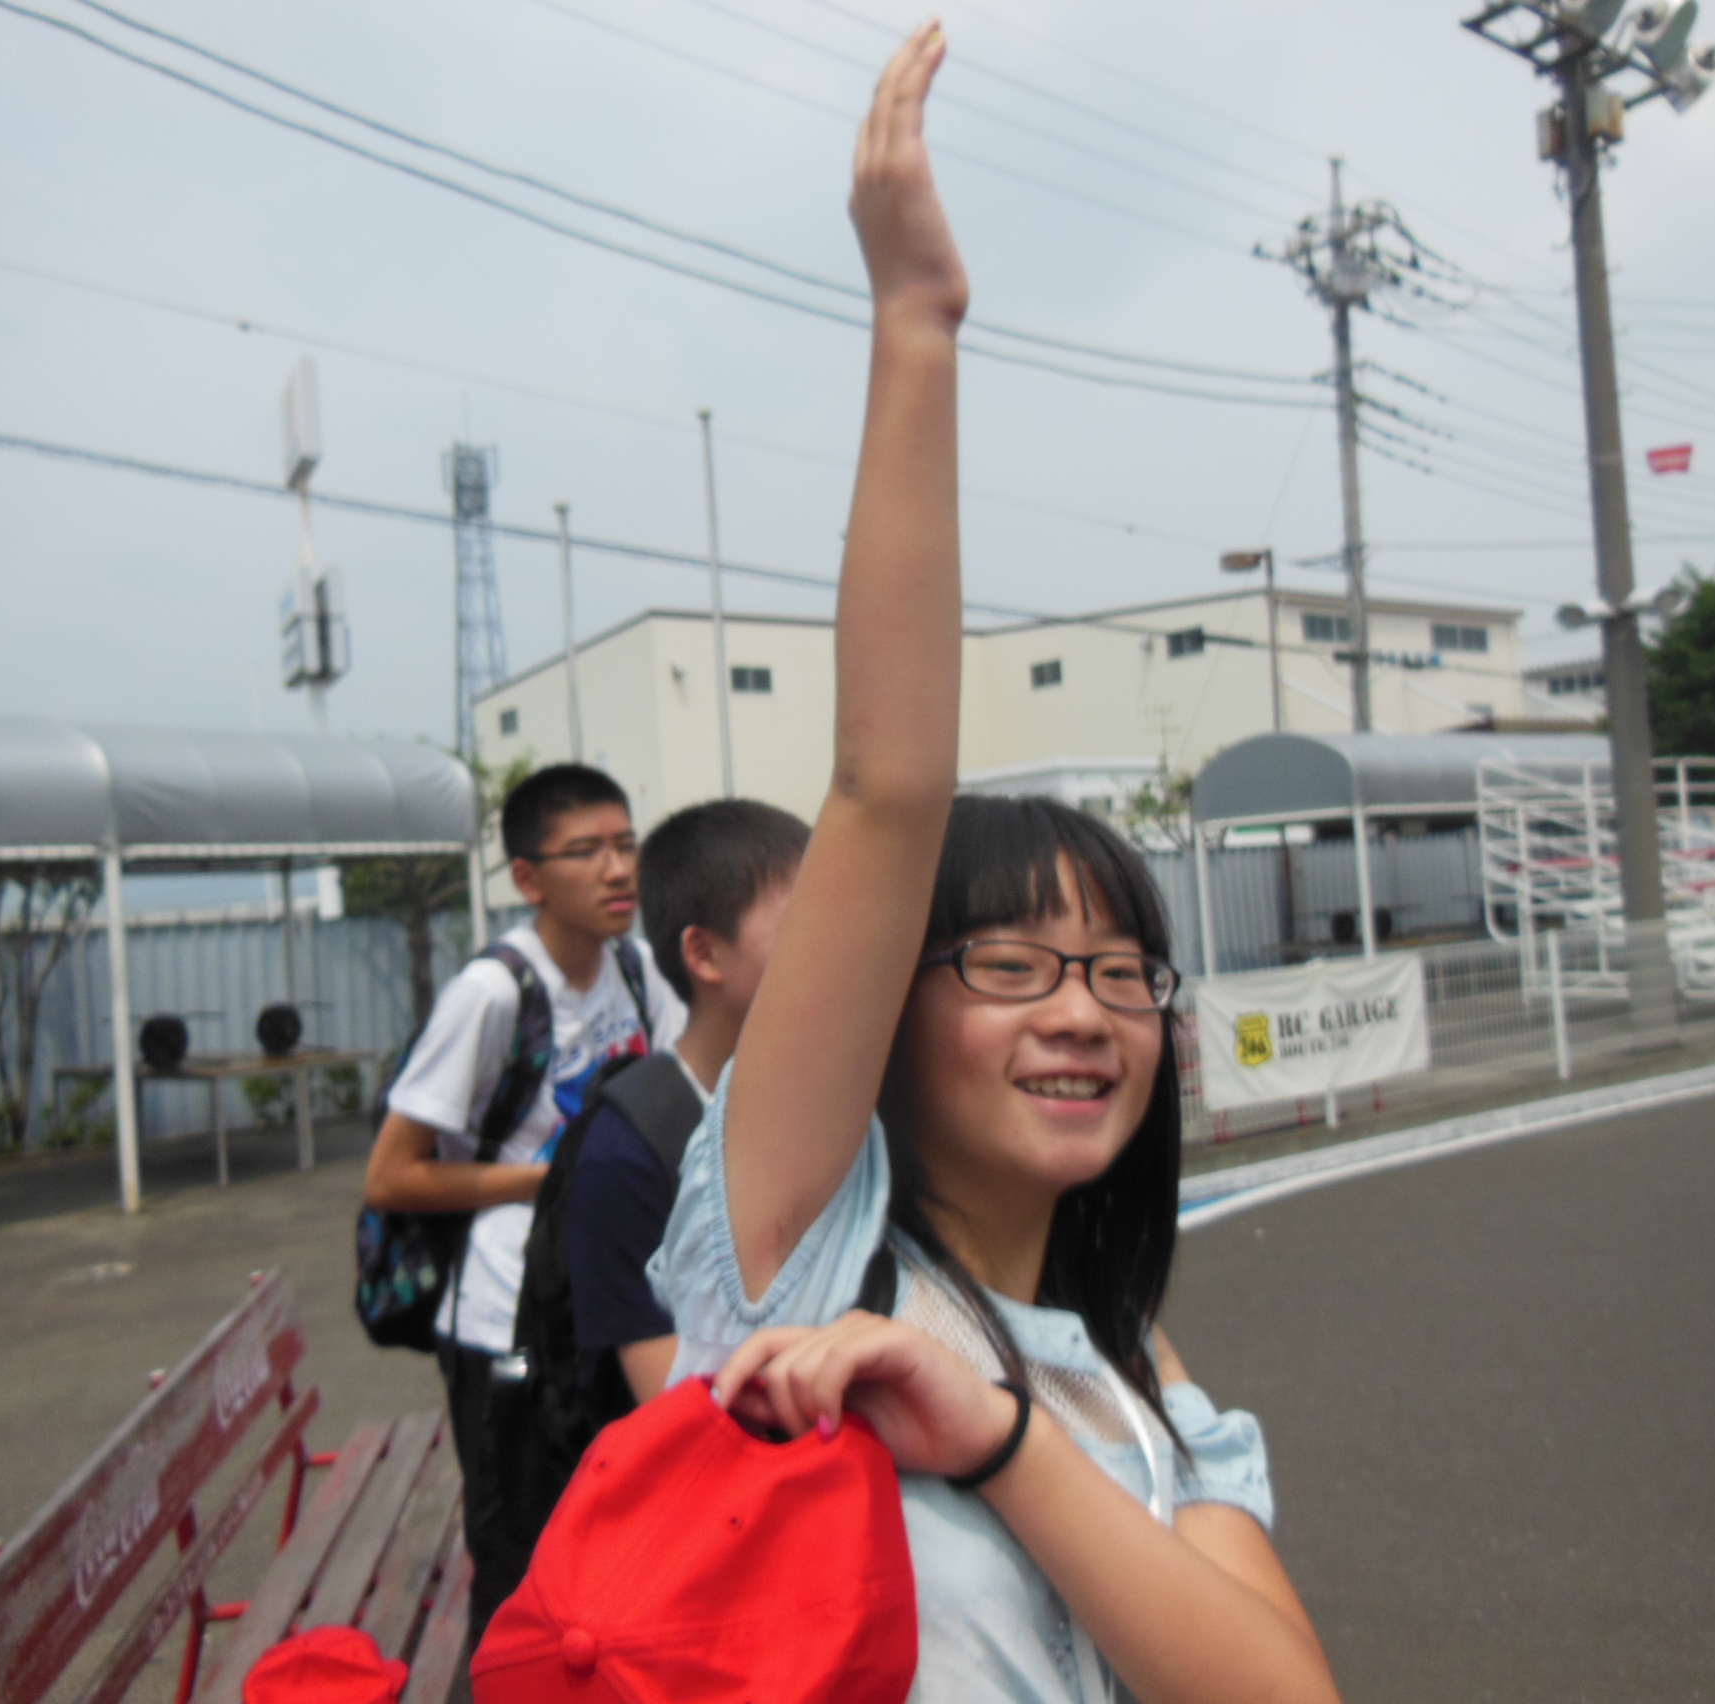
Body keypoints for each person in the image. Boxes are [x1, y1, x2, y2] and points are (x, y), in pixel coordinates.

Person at [650, 27, 1340, 1704]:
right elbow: (888, 787)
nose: (1083, 1011)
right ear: (891, 1006)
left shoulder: (1133, 1367)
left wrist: (1006, 1438)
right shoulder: (803, 1253)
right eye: (1014, 966)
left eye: (1118, 972)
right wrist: (916, 325)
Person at [363, 762, 685, 1634]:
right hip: (503, 1321)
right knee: (519, 1570)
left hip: (602, 1313)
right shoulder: (493, 992)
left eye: (626, 844)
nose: (618, 869)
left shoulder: (637, 970)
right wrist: (557, 1178)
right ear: (528, 879)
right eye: (587, 851)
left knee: (609, 1560)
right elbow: (392, 1175)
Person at [565, 798, 809, 1412]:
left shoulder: (853, 1101)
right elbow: (675, 1402)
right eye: (805, 925)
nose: (839, 948)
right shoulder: (626, 1152)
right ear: (703, 954)